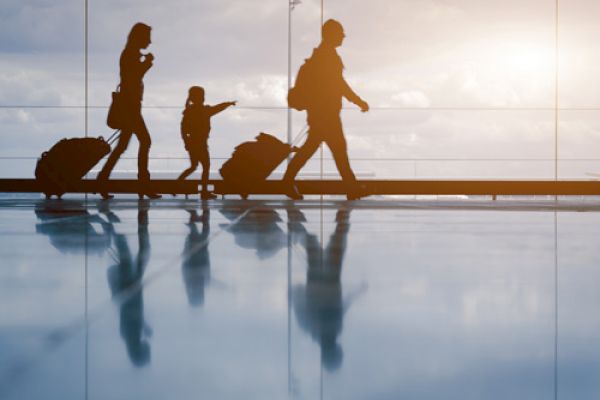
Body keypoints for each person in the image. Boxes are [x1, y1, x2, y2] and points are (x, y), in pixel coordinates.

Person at [283, 19, 370, 200]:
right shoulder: (328, 57)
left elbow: (337, 85)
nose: (343, 36)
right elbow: (339, 85)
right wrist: (359, 101)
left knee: (320, 149)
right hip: (326, 114)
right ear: (331, 34)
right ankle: (351, 188)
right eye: (340, 32)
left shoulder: (322, 56)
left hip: (320, 113)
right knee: (336, 149)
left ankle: (288, 181)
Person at [97, 22, 160, 200]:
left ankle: (102, 181)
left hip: (130, 106)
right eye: (147, 37)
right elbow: (134, 76)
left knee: (122, 146)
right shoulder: (130, 54)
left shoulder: (130, 53)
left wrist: (145, 62)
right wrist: (147, 63)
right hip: (131, 107)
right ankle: (143, 185)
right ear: (139, 37)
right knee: (145, 141)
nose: (150, 41)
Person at [177, 86, 236, 200]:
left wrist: (186, 142)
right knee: (205, 166)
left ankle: (178, 183)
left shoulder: (189, 111)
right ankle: (203, 191)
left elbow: (183, 129)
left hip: (193, 143)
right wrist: (228, 103)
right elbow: (218, 108)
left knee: (194, 166)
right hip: (200, 144)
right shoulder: (204, 111)